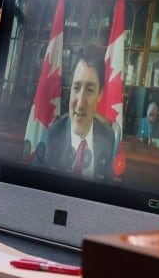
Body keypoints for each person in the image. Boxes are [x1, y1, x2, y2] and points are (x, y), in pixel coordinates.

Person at [45, 46, 116, 180]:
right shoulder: (51, 136)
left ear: (100, 94)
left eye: (89, 90)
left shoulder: (109, 139)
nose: (80, 103)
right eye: (76, 88)